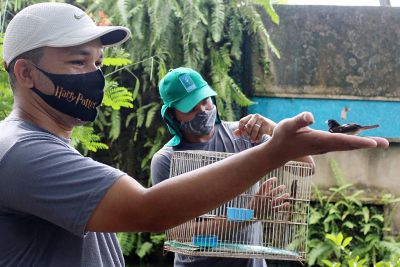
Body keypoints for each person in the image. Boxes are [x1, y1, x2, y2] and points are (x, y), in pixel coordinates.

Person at [0, 2, 388, 267]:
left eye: (97, 62)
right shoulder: (23, 153)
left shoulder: (239, 135)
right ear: (26, 73)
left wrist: (277, 143)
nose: (95, 75)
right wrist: (262, 178)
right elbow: (154, 213)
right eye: (77, 61)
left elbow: (299, 168)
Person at [151, 67, 315, 267]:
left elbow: (307, 166)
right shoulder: (167, 160)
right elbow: (178, 233)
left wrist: (274, 129)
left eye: (205, 101)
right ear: (173, 115)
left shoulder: (244, 135)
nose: (202, 110)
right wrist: (249, 214)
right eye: (191, 107)